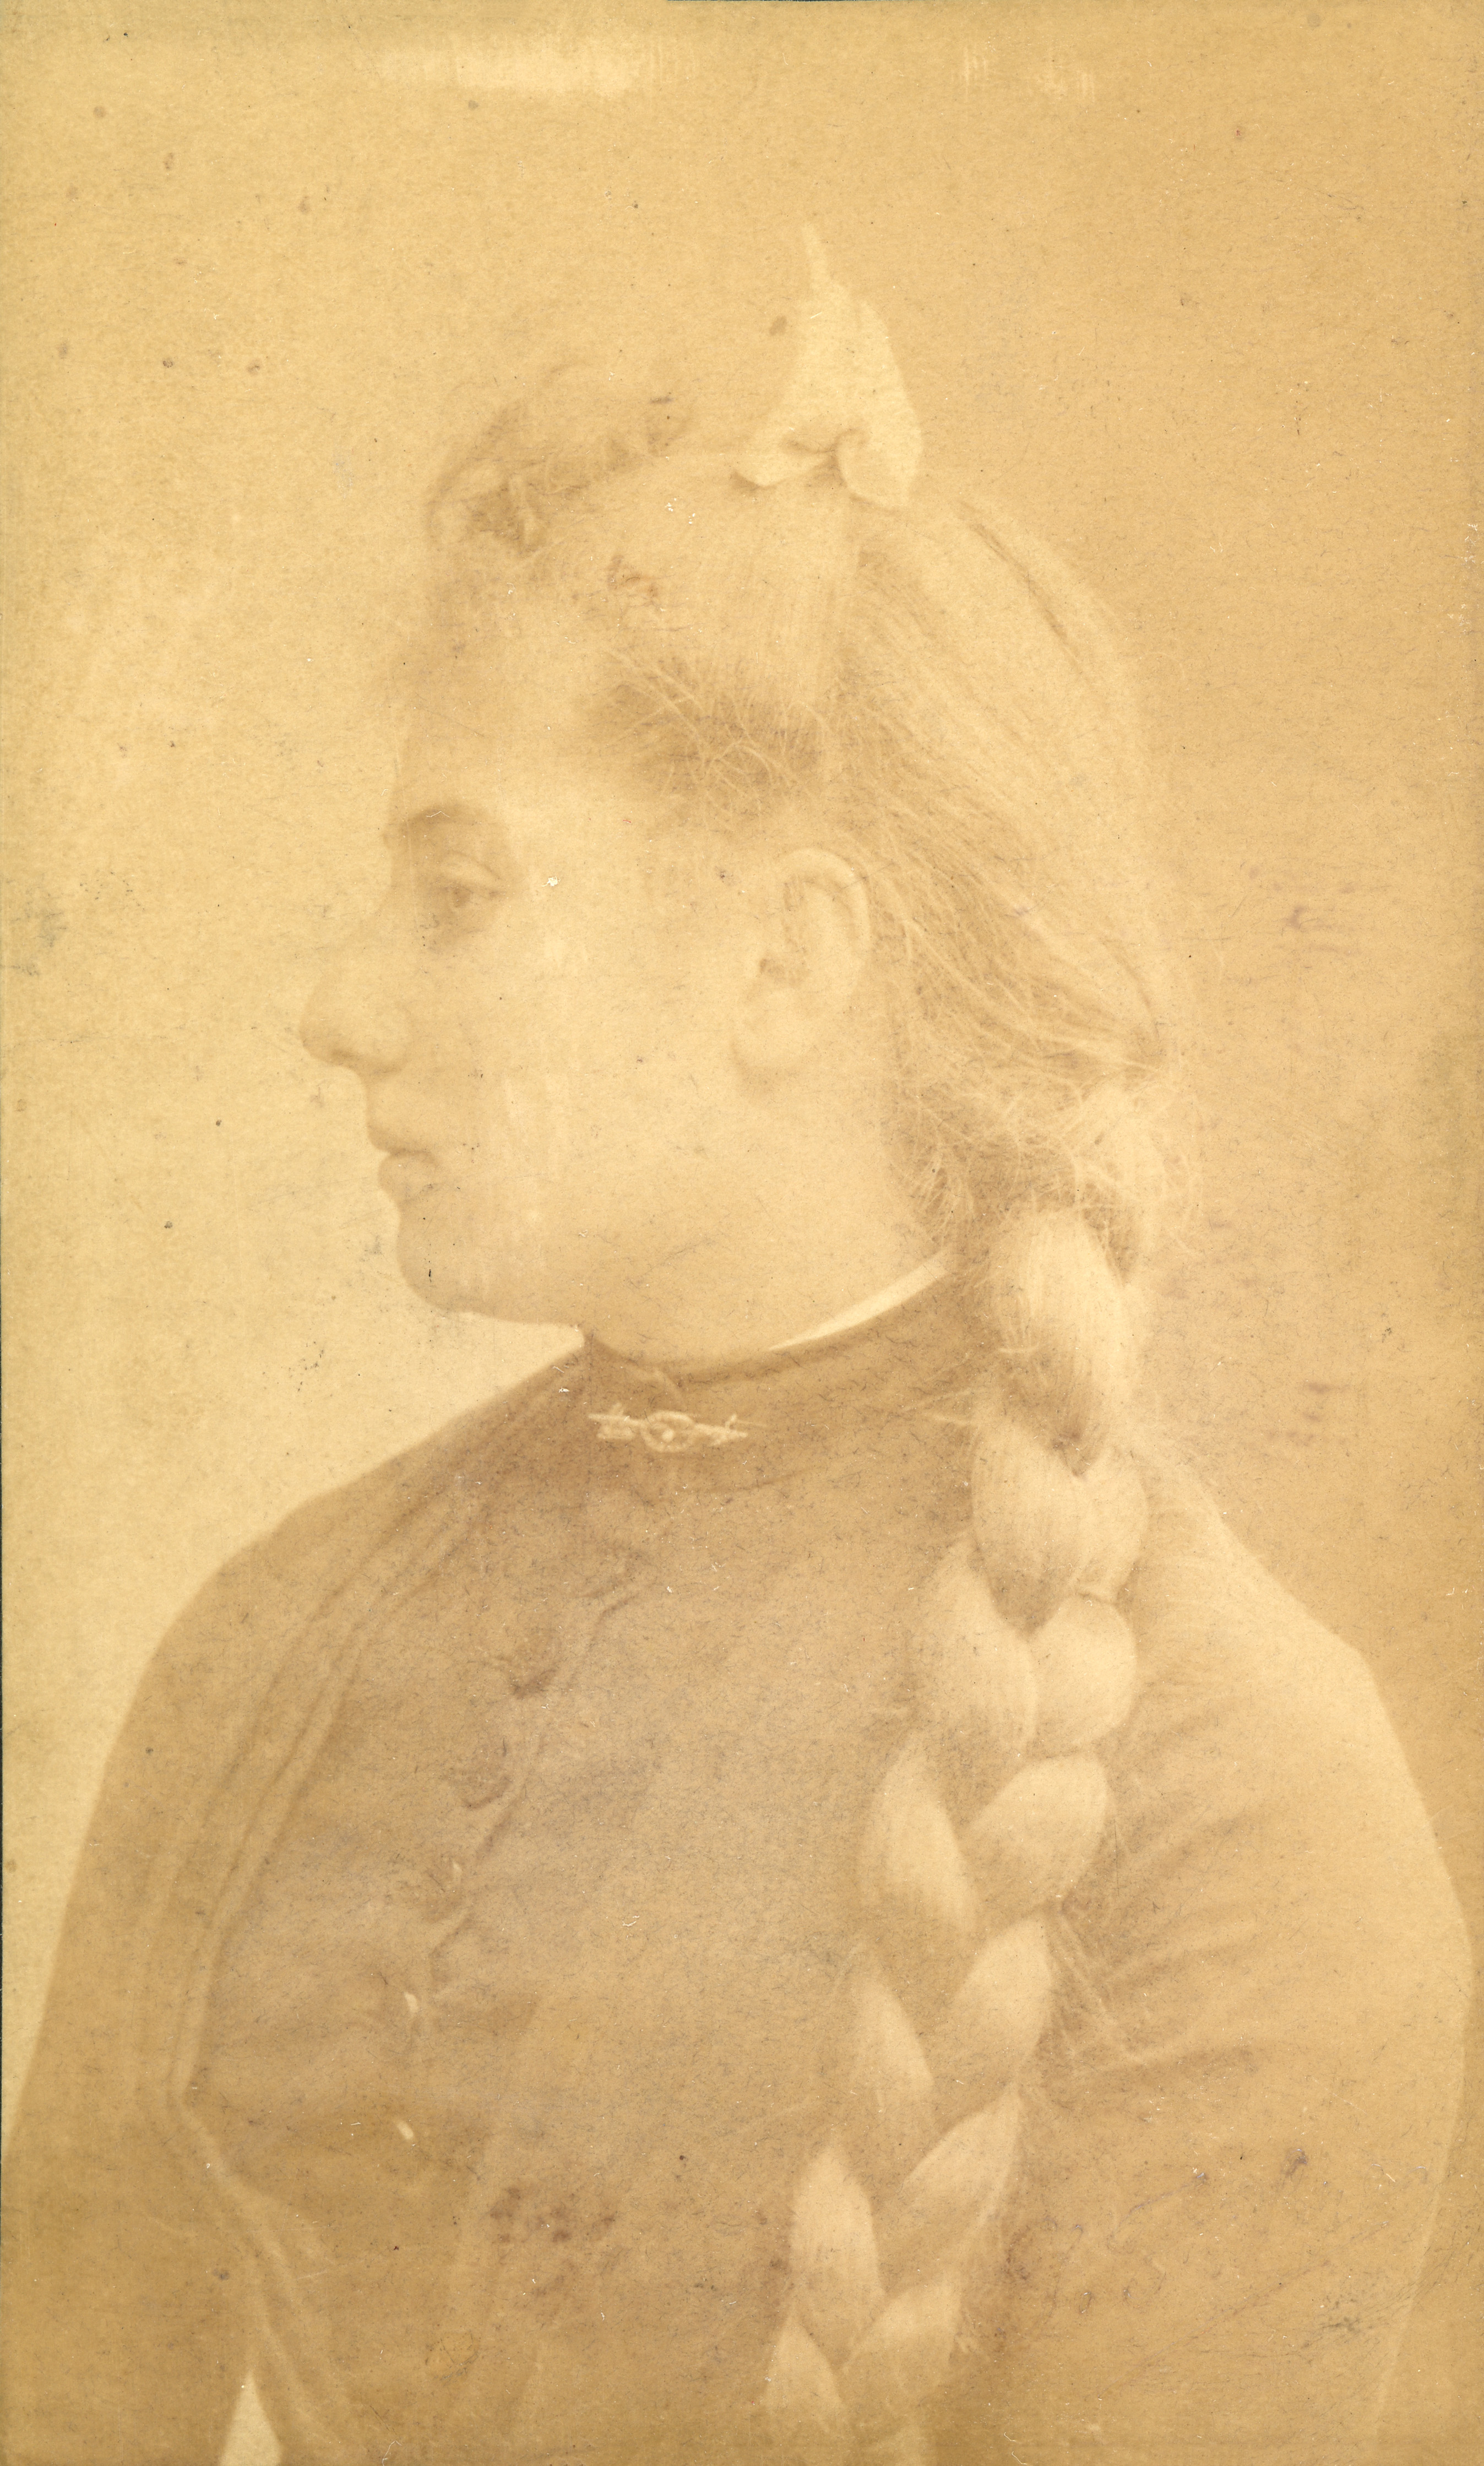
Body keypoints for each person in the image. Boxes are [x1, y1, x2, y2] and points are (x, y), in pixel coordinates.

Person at [3, 237, 1470, 2466]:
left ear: (787, 961)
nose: (339, 1006)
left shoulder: (1227, 1784)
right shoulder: (272, 1649)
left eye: (458, 894)